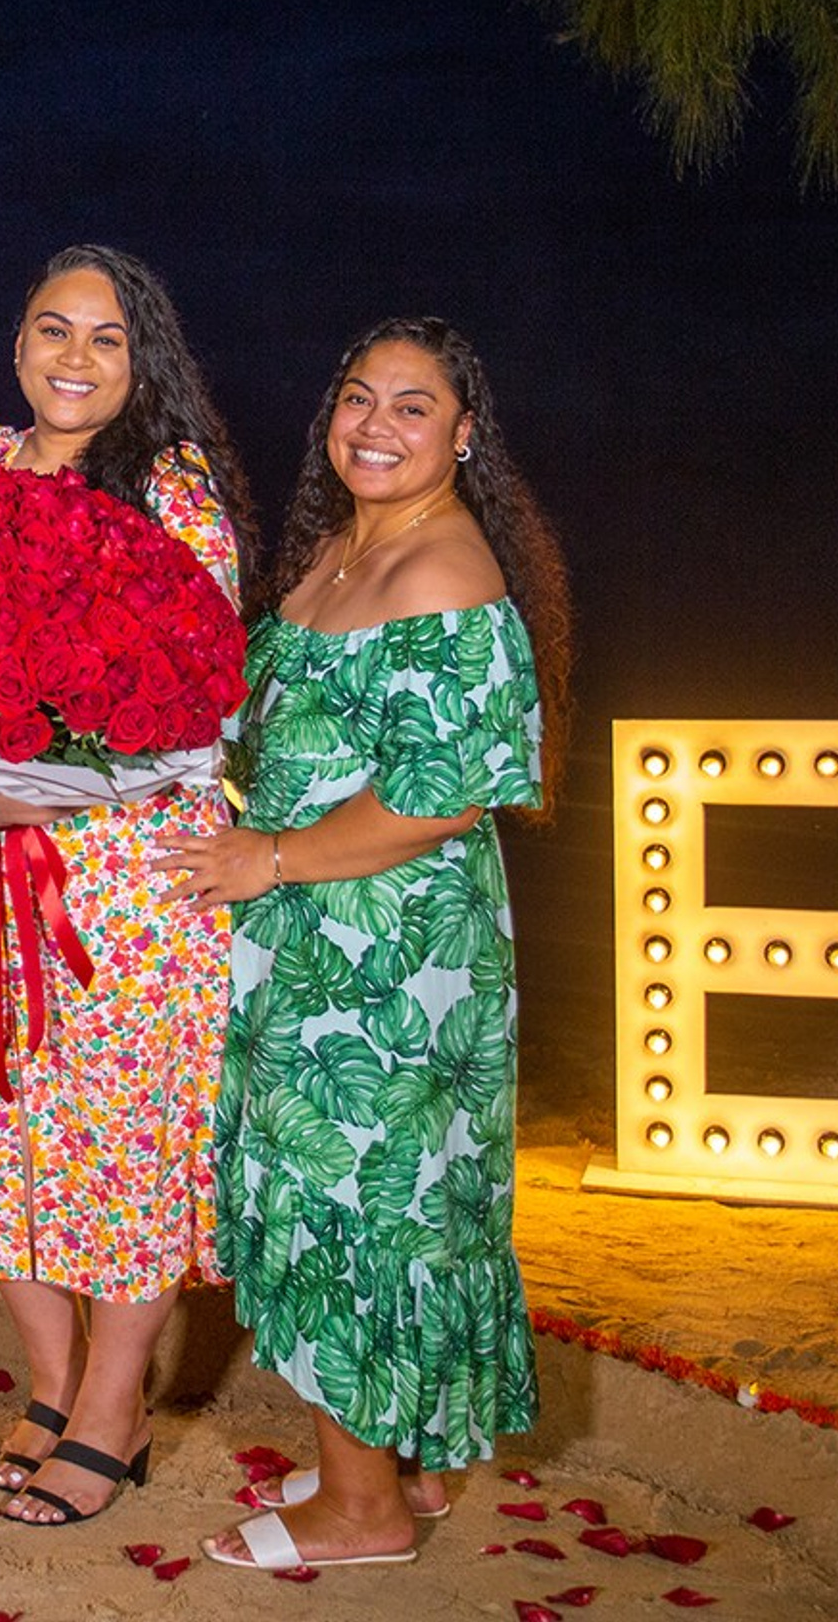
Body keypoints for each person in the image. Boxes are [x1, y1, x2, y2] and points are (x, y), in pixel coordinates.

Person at [156, 316, 572, 1574]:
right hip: (319, 935)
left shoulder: (443, 570)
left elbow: (445, 792)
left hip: (385, 951)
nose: (375, 426)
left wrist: (263, 859)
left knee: (359, 1203)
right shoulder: (345, 547)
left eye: (412, 406)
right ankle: (408, 1464)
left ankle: (361, 1511)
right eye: (356, 399)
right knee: (401, 1204)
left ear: (462, 433)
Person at [0, 246, 256, 1525]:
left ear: (141, 361)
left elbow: (189, 706)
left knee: (120, 1147)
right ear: (16, 346)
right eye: (52, 329)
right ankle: (54, 1387)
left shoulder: (175, 497)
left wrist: (39, 789)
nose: (74, 357)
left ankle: (116, 1410)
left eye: (106, 339)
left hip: (130, 879)